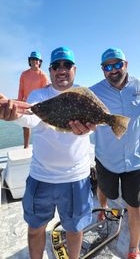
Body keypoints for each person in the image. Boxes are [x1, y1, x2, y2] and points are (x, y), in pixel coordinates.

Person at [0, 47, 95, 259]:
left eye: (67, 65)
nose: (62, 69)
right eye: (57, 66)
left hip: (76, 178)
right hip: (41, 177)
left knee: (74, 229)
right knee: (35, 229)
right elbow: (31, 115)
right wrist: (13, 115)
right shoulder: (40, 95)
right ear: (50, 71)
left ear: (74, 69)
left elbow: (96, 120)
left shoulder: (83, 95)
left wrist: (96, 123)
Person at [72, 47, 140, 259]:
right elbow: (69, 101)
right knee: (105, 189)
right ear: (102, 70)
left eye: (117, 64)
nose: (113, 70)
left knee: (135, 206)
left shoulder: (138, 87)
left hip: (136, 161)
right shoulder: (92, 92)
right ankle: (102, 208)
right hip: (106, 159)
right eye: (107, 67)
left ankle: (133, 249)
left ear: (126, 64)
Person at [18, 51, 49, 148]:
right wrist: (19, 102)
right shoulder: (24, 74)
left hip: (40, 105)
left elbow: (46, 93)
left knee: (43, 126)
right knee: (26, 126)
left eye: (37, 59)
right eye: (33, 59)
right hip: (26, 104)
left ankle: (43, 146)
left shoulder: (43, 75)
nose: (35, 61)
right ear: (29, 61)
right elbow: (21, 89)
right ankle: (26, 146)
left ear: (40, 62)